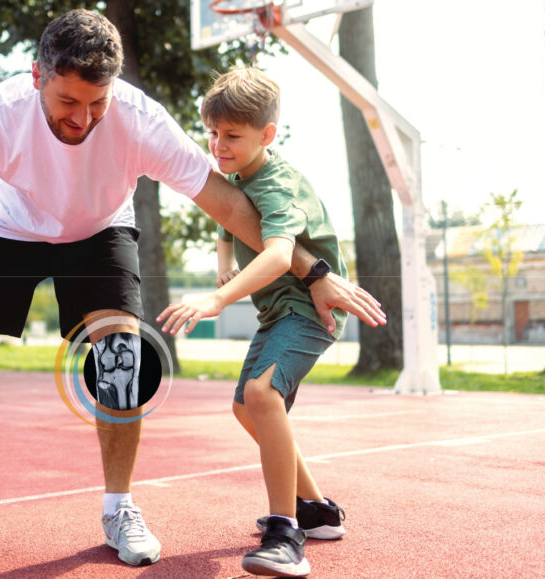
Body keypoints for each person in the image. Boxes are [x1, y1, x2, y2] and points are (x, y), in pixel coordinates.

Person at [0, 10, 385, 568]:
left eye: (98, 102)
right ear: (38, 77)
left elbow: (228, 204)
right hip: (10, 229)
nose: (83, 117)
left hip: (99, 232)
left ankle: (119, 506)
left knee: (123, 356)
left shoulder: (140, 120)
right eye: (68, 102)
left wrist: (317, 273)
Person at [158, 66, 352, 577]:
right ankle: (317, 511)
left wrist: (219, 297)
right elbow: (226, 217)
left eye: (232, 136)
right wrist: (225, 252)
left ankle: (286, 534)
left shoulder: (278, 185)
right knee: (246, 408)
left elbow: (278, 255)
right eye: (213, 133)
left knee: (263, 397)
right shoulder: (239, 172)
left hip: (310, 310)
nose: (219, 145)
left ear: (266, 135)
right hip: (277, 311)